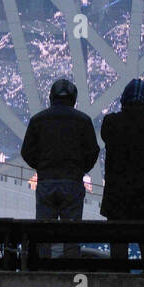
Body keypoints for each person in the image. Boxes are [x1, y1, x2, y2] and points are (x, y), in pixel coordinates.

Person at [20, 78, 100, 259]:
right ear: (73, 98)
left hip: (46, 182)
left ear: (51, 97)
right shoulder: (83, 120)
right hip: (72, 183)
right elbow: (93, 151)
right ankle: (69, 272)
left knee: (43, 234)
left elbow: (26, 151)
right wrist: (80, 169)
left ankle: (43, 272)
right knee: (71, 235)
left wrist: (41, 167)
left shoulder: (38, 120)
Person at [100, 78, 144, 263]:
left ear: (123, 100)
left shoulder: (111, 122)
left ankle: (118, 286)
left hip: (117, 198)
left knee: (118, 249)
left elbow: (105, 137)